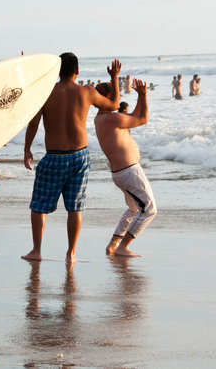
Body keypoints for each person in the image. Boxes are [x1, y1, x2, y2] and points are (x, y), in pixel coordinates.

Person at [22, 53, 120, 264]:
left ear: (58, 70)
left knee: (38, 206)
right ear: (77, 71)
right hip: (79, 157)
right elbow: (114, 104)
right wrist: (114, 78)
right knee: (75, 207)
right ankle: (71, 254)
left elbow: (33, 123)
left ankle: (37, 250)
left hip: (53, 157)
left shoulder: (46, 92)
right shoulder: (87, 92)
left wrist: (27, 149)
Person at [94, 78, 156, 257]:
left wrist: (140, 97)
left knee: (134, 209)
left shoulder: (102, 118)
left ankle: (113, 244)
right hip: (129, 172)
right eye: (113, 95)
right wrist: (143, 95)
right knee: (150, 210)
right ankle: (123, 247)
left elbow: (135, 116)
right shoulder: (111, 119)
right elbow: (143, 119)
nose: (116, 98)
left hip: (122, 173)